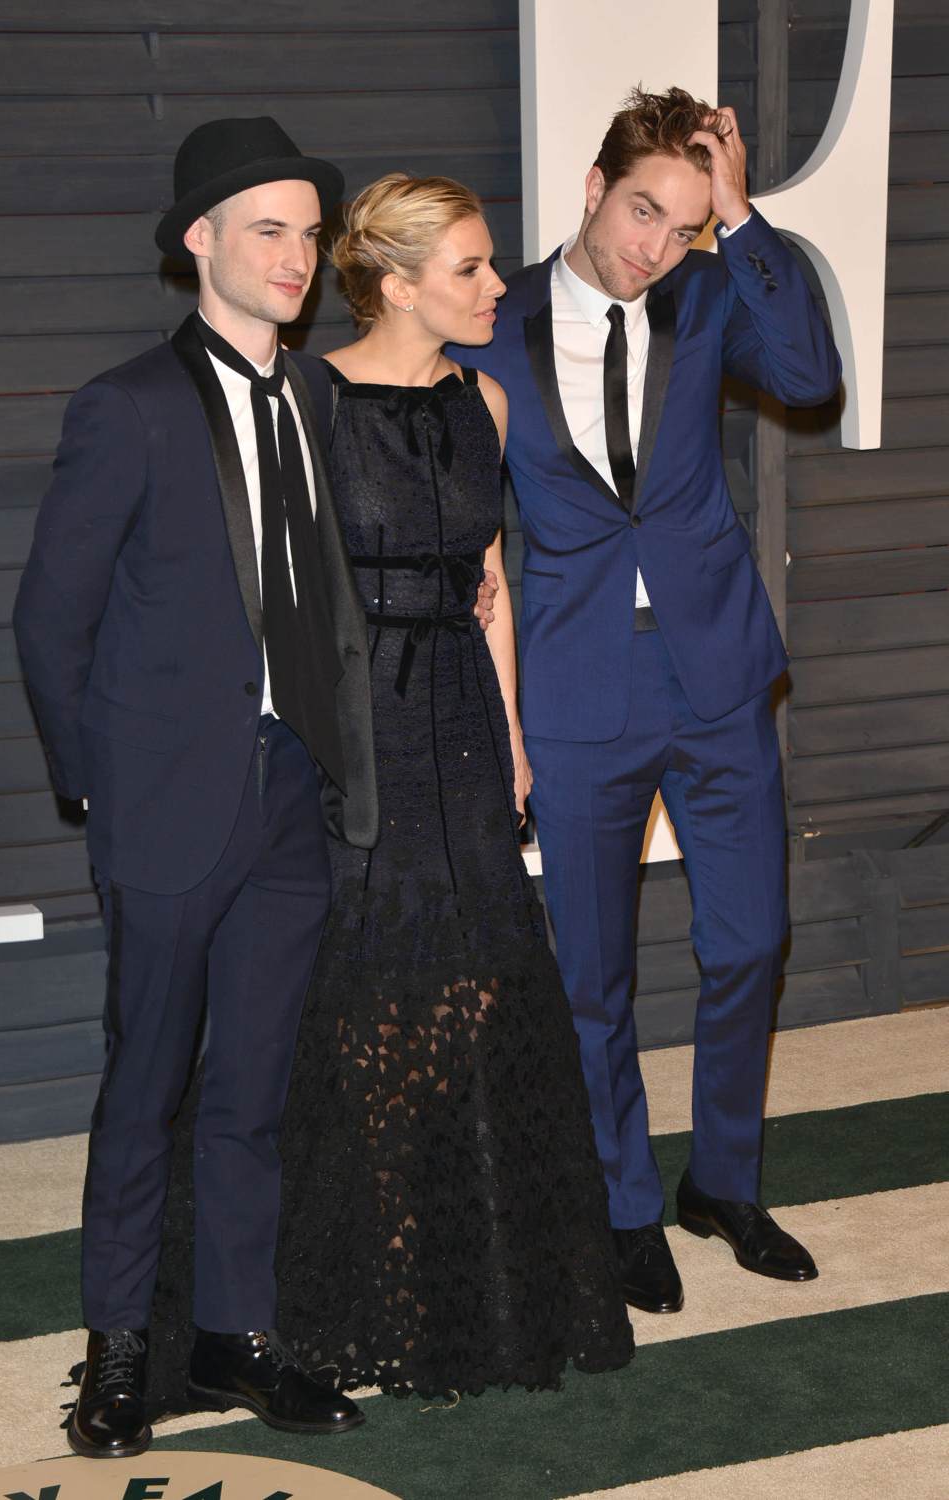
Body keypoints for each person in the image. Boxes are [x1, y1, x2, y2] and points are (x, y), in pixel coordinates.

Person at [146, 172, 634, 1407]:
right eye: (469, 268)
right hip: (354, 725)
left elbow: (490, 580)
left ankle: (480, 1283)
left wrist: (512, 735)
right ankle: (319, 1288)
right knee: (353, 1002)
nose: (496, 285)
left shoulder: (487, 402)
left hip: (463, 719)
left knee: (480, 988)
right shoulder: (307, 403)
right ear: (398, 284)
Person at [13, 116, 387, 1458]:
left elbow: (319, 597)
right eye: (267, 230)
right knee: (146, 1088)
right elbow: (47, 621)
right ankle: (118, 1352)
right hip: (166, 804)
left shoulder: (318, 398)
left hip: (292, 795)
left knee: (255, 1091)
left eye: (308, 234)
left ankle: (237, 1336)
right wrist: (100, 789)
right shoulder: (126, 407)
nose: (296, 257)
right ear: (199, 241)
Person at [451, 87, 839, 1316]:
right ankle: (622, 1205)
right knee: (590, 975)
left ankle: (721, 1182)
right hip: (575, 685)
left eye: (681, 225)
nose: (653, 247)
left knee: (751, 942)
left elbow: (809, 372)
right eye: (638, 213)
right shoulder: (491, 321)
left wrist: (741, 213)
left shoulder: (710, 292)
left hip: (714, 670)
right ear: (591, 188)